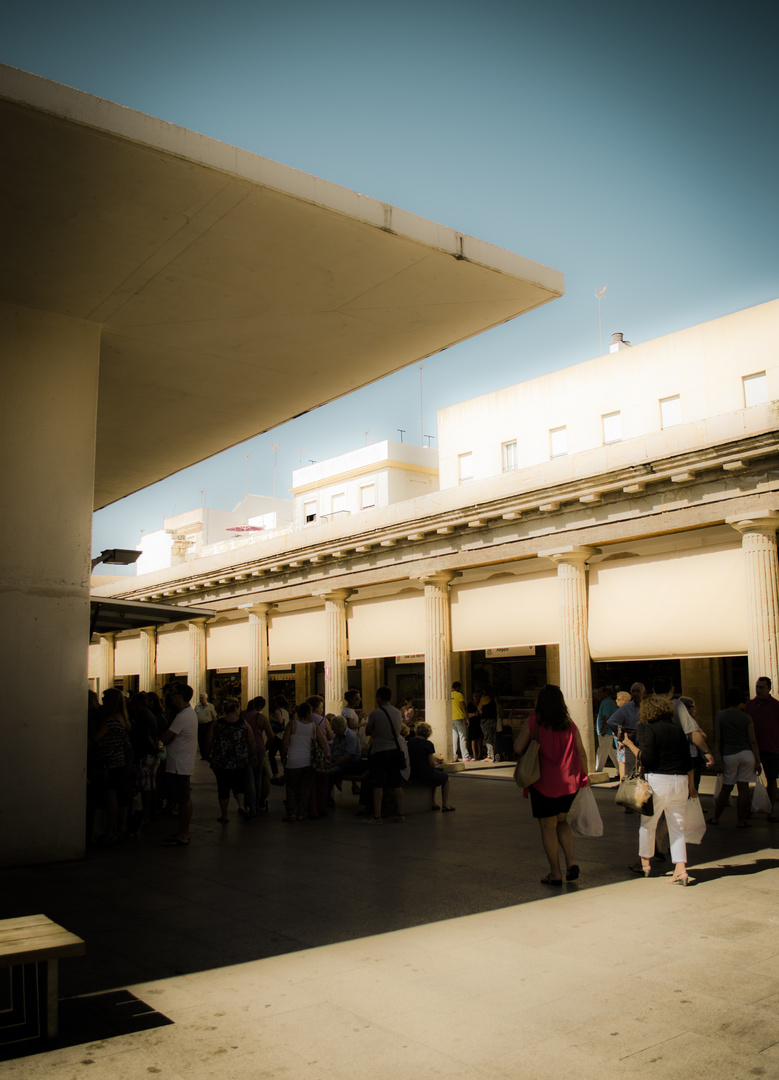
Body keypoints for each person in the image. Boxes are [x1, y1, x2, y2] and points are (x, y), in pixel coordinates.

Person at [513, 685, 588, 885]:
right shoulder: (569, 724)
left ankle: (555, 873)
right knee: (561, 821)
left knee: (547, 827)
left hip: (543, 783)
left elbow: (518, 747)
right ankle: (571, 861)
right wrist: (585, 776)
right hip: (569, 785)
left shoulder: (533, 722)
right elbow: (581, 751)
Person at [621, 695, 696, 884]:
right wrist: (691, 785)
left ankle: (645, 863)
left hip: (658, 781)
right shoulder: (678, 730)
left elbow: (647, 759)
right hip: (680, 781)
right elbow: (688, 761)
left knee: (648, 824)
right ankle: (681, 868)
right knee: (677, 826)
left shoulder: (649, 729)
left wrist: (629, 744)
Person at [708, 688, 762, 828]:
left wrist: (717, 755)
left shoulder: (721, 716)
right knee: (743, 788)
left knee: (726, 787)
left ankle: (716, 818)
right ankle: (740, 820)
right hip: (747, 754)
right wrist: (758, 760)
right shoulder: (746, 718)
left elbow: (719, 739)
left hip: (730, 754)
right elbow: (753, 741)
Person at [93, 687, 134, 843]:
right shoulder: (122, 719)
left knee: (110, 800)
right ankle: (115, 829)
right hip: (120, 761)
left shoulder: (110, 720)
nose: (102, 702)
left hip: (108, 763)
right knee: (116, 799)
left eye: (104, 699)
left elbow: (97, 738)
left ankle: (110, 832)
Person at [159, 682, 198, 846]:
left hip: (179, 764)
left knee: (183, 799)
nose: (170, 696)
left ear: (181, 695)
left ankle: (183, 833)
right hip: (180, 762)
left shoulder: (183, 716)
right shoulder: (186, 714)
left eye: (173, 693)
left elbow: (167, 737)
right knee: (182, 798)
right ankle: (182, 831)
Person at [207, 699, 256, 824]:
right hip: (239, 760)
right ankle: (241, 806)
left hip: (221, 761)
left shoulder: (217, 723)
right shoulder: (243, 723)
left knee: (222, 787)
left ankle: (224, 815)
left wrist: (208, 754)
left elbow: (209, 740)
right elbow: (251, 740)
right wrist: (254, 755)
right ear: (235, 709)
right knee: (239, 785)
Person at [280, 702, 329, 822]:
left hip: (293, 762)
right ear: (308, 713)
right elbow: (324, 745)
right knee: (305, 789)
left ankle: (291, 813)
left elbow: (284, 744)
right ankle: (301, 813)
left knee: (291, 788)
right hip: (308, 763)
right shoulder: (314, 727)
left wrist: (283, 758)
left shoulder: (292, 725)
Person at [364, 686, 405, 824]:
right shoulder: (397, 712)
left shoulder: (375, 713)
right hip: (394, 750)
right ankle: (400, 813)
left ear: (379, 697)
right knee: (396, 783)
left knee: (378, 784)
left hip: (379, 751)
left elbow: (368, 731)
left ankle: (377, 815)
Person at [745, 676, 779, 822]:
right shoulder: (750, 705)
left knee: (771, 779)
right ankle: (748, 809)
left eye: (762, 687)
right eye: (757, 687)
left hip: (771, 747)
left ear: (769, 689)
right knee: (746, 780)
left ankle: (770, 810)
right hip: (752, 748)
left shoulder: (776, 705)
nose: (758, 690)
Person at [408, 722, 455, 811]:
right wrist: (437, 763)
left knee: (435, 775)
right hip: (424, 772)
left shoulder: (410, 741)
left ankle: (433, 802)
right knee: (446, 778)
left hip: (412, 771)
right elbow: (431, 764)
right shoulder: (428, 744)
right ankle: (445, 803)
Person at [327, 715, 363, 798]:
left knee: (332, 772)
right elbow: (333, 751)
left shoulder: (351, 736)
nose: (332, 729)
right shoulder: (336, 736)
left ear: (340, 726)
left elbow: (349, 755)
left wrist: (334, 764)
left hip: (348, 764)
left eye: (334, 727)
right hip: (338, 762)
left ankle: (327, 797)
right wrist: (330, 762)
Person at [594, 686, 618, 772]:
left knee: (602, 751)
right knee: (611, 751)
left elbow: (605, 718)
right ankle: (620, 770)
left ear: (605, 693)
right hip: (608, 731)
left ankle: (598, 770)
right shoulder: (608, 702)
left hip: (606, 732)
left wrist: (602, 731)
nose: (598, 695)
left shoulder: (606, 703)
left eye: (600, 693)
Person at [451, 681, 471, 761]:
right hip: (459, 717)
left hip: (451, 718)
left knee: (454, 737)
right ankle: (465, 756)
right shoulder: (459, 695)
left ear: (452, 688)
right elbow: (463, 707)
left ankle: (454, 755)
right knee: (462, 736)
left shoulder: (449, 694)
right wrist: (467, 718)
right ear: (459, 688)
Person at [479, 686, 499, 762]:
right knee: (492, 737)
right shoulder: (494, 698)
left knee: (487, 737)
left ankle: (490, 755)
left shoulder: (484, 698)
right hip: (493, 720)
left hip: (485, 720)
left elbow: (478, 708)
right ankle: (492, 754)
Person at [195, 691, 217, 759]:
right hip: (200, 725)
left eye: (202, 698)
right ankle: (203, 755)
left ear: (206, 699)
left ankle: (207, 754)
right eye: (200, 698)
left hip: (208, 725)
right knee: (200, 740)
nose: (201, 699)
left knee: (207, 740)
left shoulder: (210, 706)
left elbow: (214, 716)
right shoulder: (197, 707)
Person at [468, 691, 483, 761]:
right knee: (473, 739)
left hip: (480, 722)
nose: (476, 698)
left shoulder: (481, 704)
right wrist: (474, 714)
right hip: (473, 723)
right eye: (475, 696)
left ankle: (480, 753)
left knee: (480, 738)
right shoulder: (470, 705)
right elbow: (467, 714)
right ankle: (474, 754)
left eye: (478, 696)